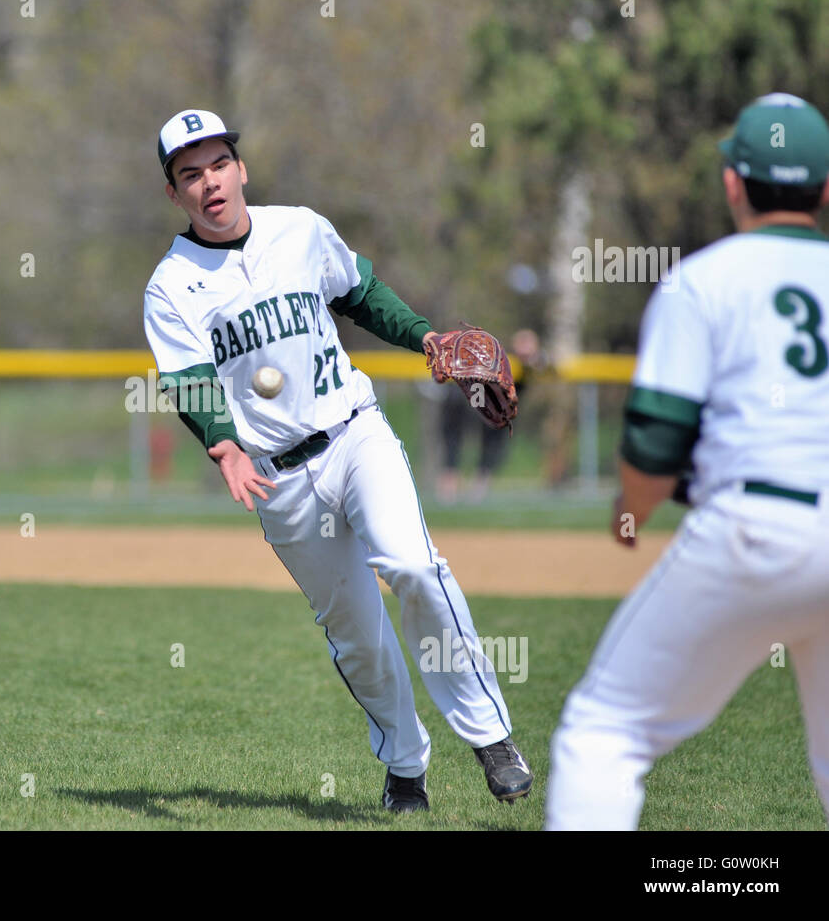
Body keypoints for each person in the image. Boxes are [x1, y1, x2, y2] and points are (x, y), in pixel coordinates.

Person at [143, 109, 532, 812]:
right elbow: (189, 379)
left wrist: (426, 338)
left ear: (242, 167)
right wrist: (223, 442)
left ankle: (491, 735)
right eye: (189, 174)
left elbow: (360, 294)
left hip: (355, 432)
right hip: (278, 477)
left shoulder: (301, 227)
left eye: (218, 164)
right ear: (175, 194)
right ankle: (406, 765)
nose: (210, 182)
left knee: (413, 565)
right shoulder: (171, 286)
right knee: (357, 634)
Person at [546, 93, 829, 830]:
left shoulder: (701, 279)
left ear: (733, 181)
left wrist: (631, 511)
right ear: (826, 189)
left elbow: (656, 439)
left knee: (605, 730)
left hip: (755, 528)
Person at [436, 329, 543, 503]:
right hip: (466, 396)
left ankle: (478, 491)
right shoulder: (499, 354)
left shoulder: (530, 363)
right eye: (522, 342)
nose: (525, 347)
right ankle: (448, 492)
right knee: (453, 440)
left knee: (493, 441)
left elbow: (543, 364)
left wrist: (533, 356)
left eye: (528, 343)